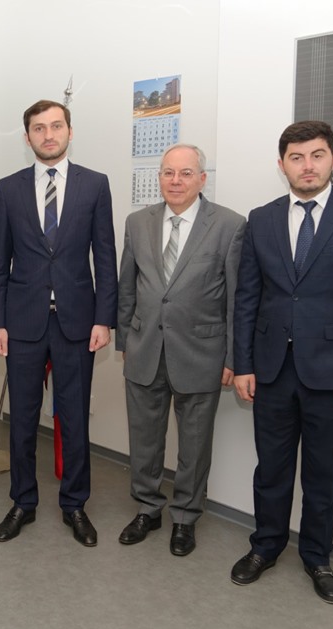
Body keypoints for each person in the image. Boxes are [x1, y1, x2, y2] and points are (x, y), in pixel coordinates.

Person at [231, 120, 333, 604]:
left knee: (322, 475)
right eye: (297, 157)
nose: (307, 166)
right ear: (281, 165)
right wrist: (243, 364)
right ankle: (265, 546)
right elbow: (247, 299)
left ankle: (317, 557)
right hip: (271, 371)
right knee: (271, 470)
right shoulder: (261, 219)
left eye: (317, 155)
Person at [0, 99, 116, 547]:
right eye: (39, 128)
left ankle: (74, 504)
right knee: (22, 419)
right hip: (22, 323)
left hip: (77, 322)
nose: (48, 135)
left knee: (74, 418)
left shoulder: (95, 184)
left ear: (69, 132)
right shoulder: (8, 188)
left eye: (56, 126)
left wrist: (104, 318)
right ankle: (22, 502)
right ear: (27, 138)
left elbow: (105, 257)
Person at [116, 144, 245, 556]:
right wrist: (125, 340)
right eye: (168, 172)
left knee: (194, 445)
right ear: (159, 176)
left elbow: (237, 300)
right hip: (145, 349)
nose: (175, 181)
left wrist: (233, 358)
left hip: (201, 354)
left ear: (202, 179)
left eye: (186, 173)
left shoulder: (229, 225)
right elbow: (126, 288)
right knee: (144, 439)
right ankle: (147, 509)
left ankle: (186, 517)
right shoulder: (138, 222)